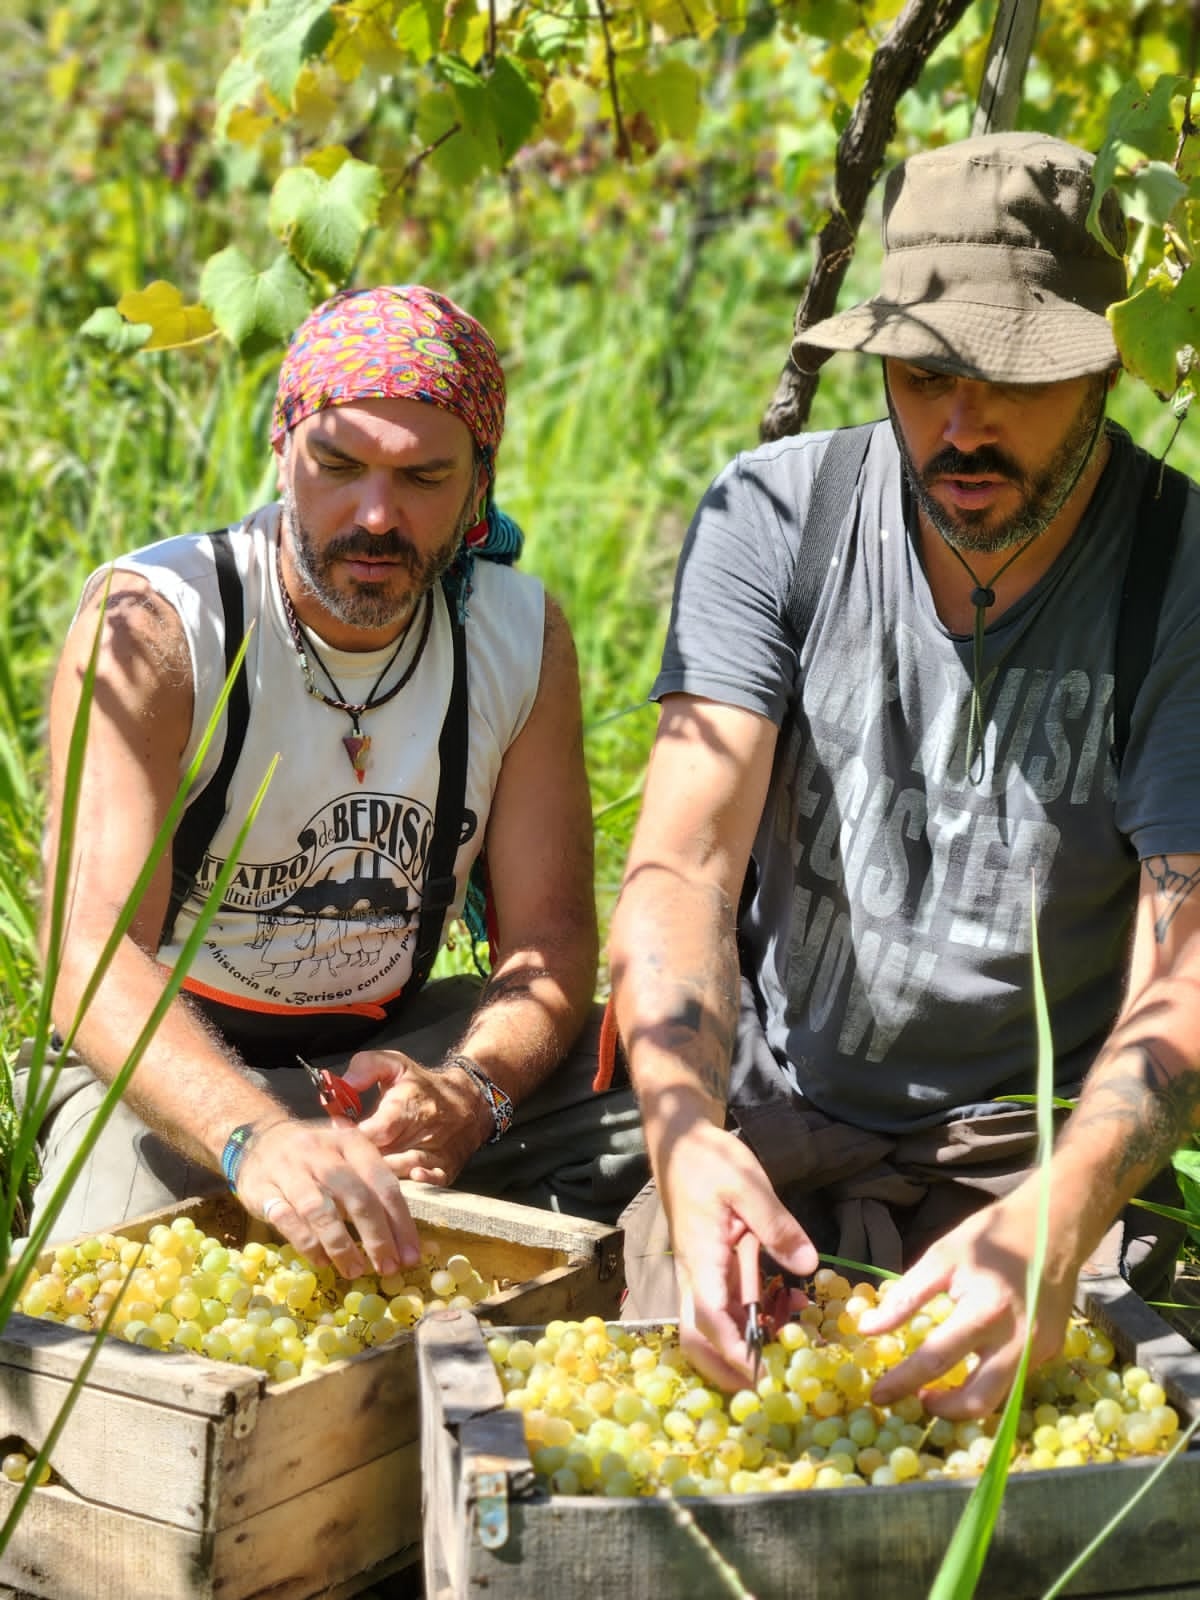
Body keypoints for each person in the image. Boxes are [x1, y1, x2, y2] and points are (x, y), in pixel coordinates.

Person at [608, 131, 1200, 1421]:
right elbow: (683, 865)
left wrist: (1063, 1210)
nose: (961, 424)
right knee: (684, 1437)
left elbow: (1186, 961)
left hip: (1042, 1149)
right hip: (774, 1116)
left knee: (1079, 1460)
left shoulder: (1179, 575)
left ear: (1106, 365)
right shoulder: (775, 518)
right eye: (924, 374)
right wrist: (685, 1135)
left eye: (1011, 379)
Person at [25, 285, 645, 1279]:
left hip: (388, 1049)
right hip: (158, 1067)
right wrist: (251, 1135)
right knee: (117, 1284)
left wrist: (469, 1089)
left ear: (479, 483)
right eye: (339, 465)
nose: (374, 515)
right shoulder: (158, 625)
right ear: (282, 449)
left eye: (422, 477)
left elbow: (550, 941)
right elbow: (87, 953)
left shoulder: (518, 639)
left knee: (672, 1101)